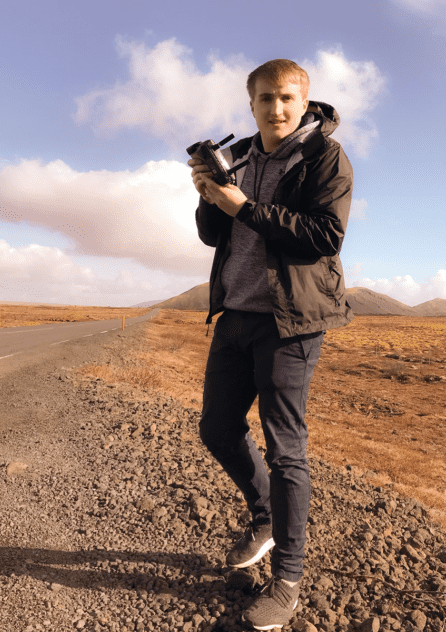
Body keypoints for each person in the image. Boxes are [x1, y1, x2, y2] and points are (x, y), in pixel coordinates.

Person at [188, 59, 354, 630]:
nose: (276, 108)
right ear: (251, 104)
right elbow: (214, 235)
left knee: (286, 451)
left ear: (304, 103)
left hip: (291, 323)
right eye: (265, 99)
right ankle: (264, 516)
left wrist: (246, 208)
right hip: (235, 314)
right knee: (216, 427)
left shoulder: (324, 158)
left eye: (287, 98)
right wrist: (210, 194)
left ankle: (287, 580)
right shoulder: (239, 158)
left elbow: (324, 236)